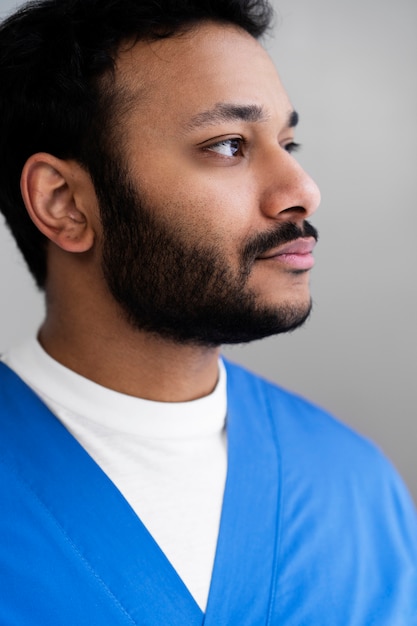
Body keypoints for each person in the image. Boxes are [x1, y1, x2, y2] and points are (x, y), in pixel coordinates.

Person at [0, 0, 416, 623]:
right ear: (65, 203)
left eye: (287, 141)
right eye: (227, 145)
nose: (302, 191)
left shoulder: (355, 488)